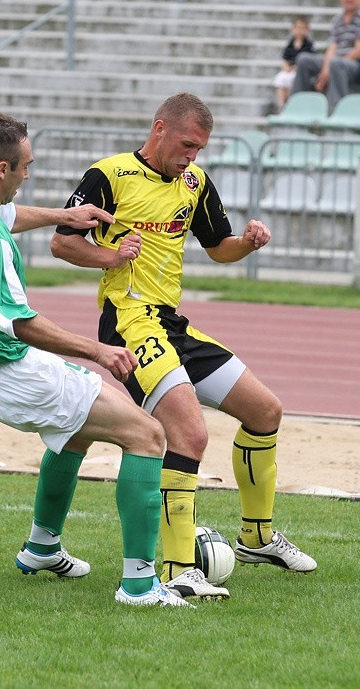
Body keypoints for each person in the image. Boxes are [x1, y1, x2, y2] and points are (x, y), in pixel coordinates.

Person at [50, 92, 317, 601]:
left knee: (265, 410)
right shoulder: (108, 175)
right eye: (187, 144)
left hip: (173, 325)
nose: (192, 156)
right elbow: (62, 241)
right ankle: (176, 569)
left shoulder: (193, 184)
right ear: (160, 129)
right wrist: (109, 256)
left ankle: (257, 538)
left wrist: (249, 242)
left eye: (200, 148)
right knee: (189, 435)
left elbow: (219, 248)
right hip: (129, 322)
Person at [0, 111, 194, 609]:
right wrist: (98, 350)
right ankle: (139, 585)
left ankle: (42, 548)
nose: (30, 174)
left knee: (76, 430)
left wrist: (66, 217)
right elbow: (19, 322)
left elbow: (8, 215)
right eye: (25, 166)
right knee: (146, 434)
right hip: (6, 368)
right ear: (2, 169)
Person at [291, 0, 360, 112]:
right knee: (304, 59)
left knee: (336, 64)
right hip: (337, 61)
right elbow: (332, 47)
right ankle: (296, 105)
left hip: (354, 65)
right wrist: (325, 70)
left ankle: (335, 110)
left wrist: (334, 63)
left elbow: (358, 50)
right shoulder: (338, 20)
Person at [272, 15, 317, 111]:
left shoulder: (309, 45)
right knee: (281, 79)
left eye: (302, 28)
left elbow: (311, 60)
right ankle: (281, 105)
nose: (299, 31)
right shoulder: (290, 44)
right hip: (289, 70)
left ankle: (290, 104)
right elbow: (285, 59)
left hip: (299, 71)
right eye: (297, 28)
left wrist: (295, 68)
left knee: (292, 81)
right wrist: (286, 67)